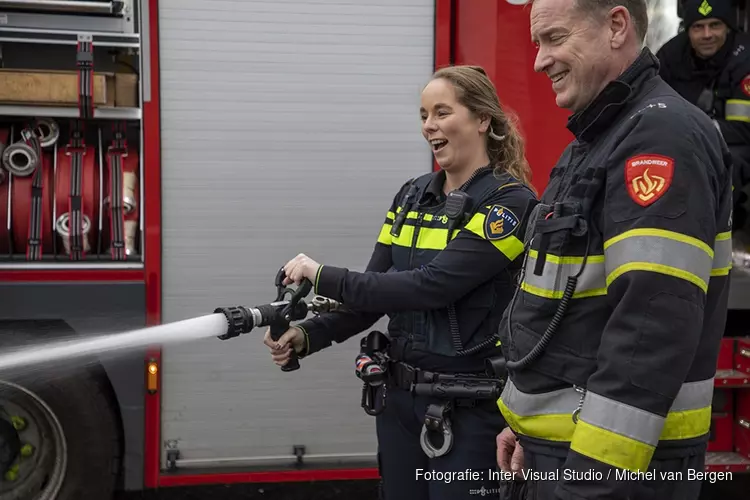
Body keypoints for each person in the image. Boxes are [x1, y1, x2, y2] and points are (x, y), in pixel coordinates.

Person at [264, 65, 539, 500]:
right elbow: (375, 290)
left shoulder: (510, 204)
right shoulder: (411, 196)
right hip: (398, 403)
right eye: (424, 115)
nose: (430, 125)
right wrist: (306, 335)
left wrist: (321, 275)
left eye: (442, 112)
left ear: (482, 119)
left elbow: (430, 286)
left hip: (470, 411)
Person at [495, 1, 733, 499]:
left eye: (554, 39)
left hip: (617, 468)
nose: (540, 61)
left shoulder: (659, 137)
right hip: (565, 453)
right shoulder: (600, 137)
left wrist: (586, 482)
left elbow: (650, 329)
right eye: (538, 44)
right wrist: (527, 423)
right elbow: (569, 316)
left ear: (616, 26)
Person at [656, 0, 750, 229]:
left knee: (726, 166)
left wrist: (697, 128)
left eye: (715, 25)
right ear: (687, 29)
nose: (707, 35)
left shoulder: (745, 59)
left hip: (734, 146)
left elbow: (744, 129)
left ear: (729, 26)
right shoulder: (670, 55)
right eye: (698, 27)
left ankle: (723, 232)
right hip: (679, 141)